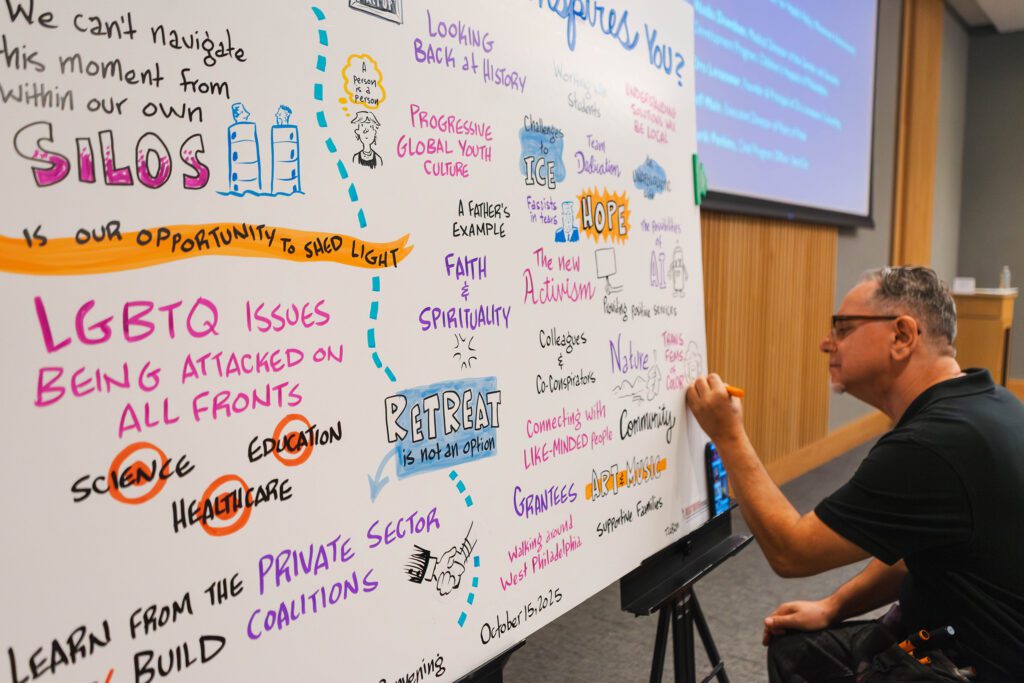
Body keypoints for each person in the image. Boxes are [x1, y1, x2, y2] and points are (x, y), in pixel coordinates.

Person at [686, 266, 1024, 681]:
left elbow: (792, 552)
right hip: (950, 631)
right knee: (795, 651)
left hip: (978, 662)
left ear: (901, 336)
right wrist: (833, 606)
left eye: (844, 329)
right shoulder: (985, 402)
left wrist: (729, 437)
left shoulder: (931, 445)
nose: (826, 343)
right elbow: (909, 553)